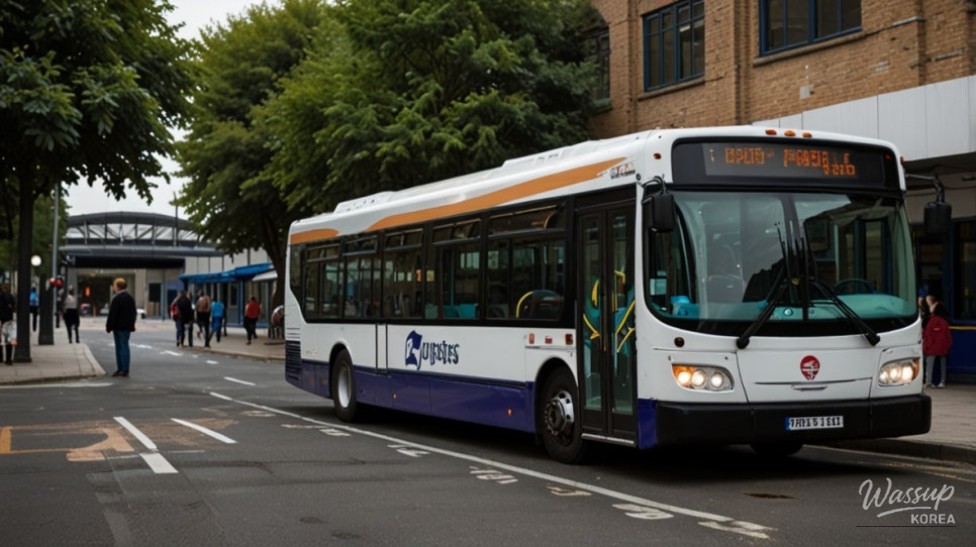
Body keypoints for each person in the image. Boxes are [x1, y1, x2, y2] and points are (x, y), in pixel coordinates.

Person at [105, 278, 137, 377]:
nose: (114, 288)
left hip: (118, 327)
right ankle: (125, 369)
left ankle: (121, 368)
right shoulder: (130, 298)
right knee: (125, 346)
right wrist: (132, 324)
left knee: (119, 347)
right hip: (127, 327)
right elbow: (134, 313)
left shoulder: (116, 298)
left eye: (115, 286)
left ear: (118, 286)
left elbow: (112, 314)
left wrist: (109, 326)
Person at [922, 296, 952, 388]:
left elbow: (928, 335)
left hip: (932, 348)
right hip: (943, 347)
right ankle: (942, 381)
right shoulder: (945, 322)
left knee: (929, 364)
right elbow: (948, 337)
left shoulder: (932, 321)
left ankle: (929, 381)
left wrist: (926, 346)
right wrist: (947, 346)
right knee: (943, 364)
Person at [1, 283, 15, 365]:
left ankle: (1, 357)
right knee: (9, 339)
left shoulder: (1, 297)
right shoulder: (11, 296)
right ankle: (8, 359)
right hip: (9, 320)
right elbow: (13, 307)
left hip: (2, 319)